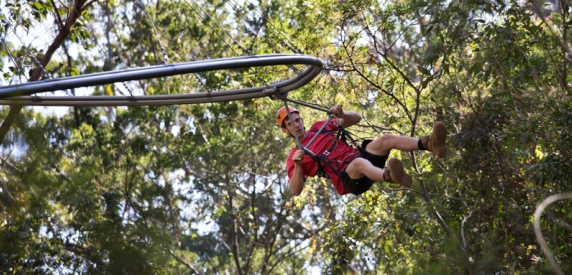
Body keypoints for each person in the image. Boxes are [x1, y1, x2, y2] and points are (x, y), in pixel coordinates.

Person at [277, 105, 447, 196]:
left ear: (302, 119)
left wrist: (343, 114)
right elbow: (295, 191)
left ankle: (429, 144)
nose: (297, 125)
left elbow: (356, 118)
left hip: (361, 158)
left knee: (385, 139)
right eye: (291, 124)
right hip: (350, 179)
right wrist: (298, 165)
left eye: (297, 120)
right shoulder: (296, 155)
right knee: (359, 163)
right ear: (286, 130)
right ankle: (390, 176)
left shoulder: (319, 128)